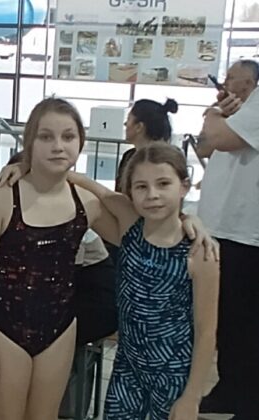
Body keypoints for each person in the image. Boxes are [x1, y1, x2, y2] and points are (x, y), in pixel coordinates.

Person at [0, 98, 216, 420]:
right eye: (46, 137)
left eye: (68, 137)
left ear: (80, 143)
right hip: (6, 326)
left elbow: (144, 230)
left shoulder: (86, 203)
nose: (58, 146)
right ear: (30, 142)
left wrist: (189, 221)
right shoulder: (1, 200)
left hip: (60, 328)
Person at [68, 143, 218, 420]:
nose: (153, 195)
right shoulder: (129, 225)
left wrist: (192, 396)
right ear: (131, 192)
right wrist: (30, 166)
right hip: (128, 370)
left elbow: (206, 331)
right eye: (141, 187)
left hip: (172, 376)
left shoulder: (199, 253)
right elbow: (95, 190)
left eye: (163, 184)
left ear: (184, 186)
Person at [197, 60, 259, 419]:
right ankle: (230, 389)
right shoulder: (233, 115)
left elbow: (219, 138)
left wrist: (213, 114)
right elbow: (205, 147)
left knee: (246, 323)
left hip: (247, 233)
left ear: (251, 83)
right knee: (227, 319)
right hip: (221, 227)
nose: (226, 84)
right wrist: (217, 116)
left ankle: (249, 401)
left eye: (234, 79)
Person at [196, 60, 259, 159]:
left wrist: (214, 112)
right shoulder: (225, 114)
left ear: (248, 83)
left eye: (230, 78)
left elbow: (218, 139)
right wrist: (224, 115)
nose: (224, 83)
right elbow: (203, 150)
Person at [115, 98, 178, 192]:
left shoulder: (167, 160)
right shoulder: (128, 156)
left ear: (139, 127)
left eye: (128, 119)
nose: (125, 124)